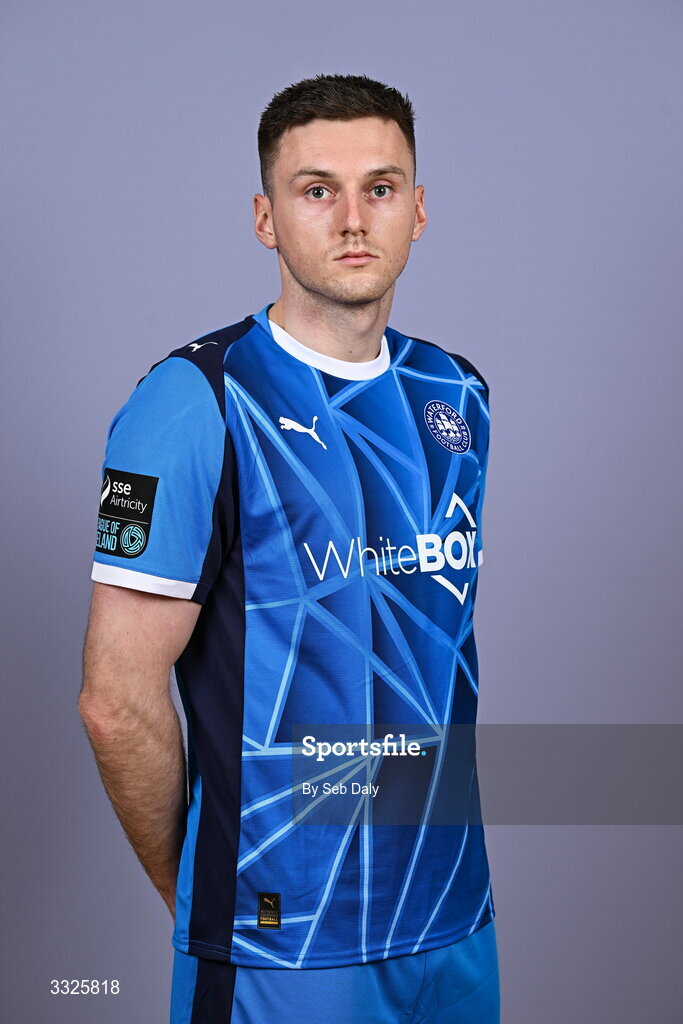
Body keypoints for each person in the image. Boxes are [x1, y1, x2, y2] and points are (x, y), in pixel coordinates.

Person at [79, 73, 500, 1023]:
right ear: (266, 219)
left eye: (380, 188)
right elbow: (113, 702)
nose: (353, 218)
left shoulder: (458, 395)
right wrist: (205, 895)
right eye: (317, 190)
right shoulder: (191, 404)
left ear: (418, 211)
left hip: (453, 920)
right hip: (289, 941)